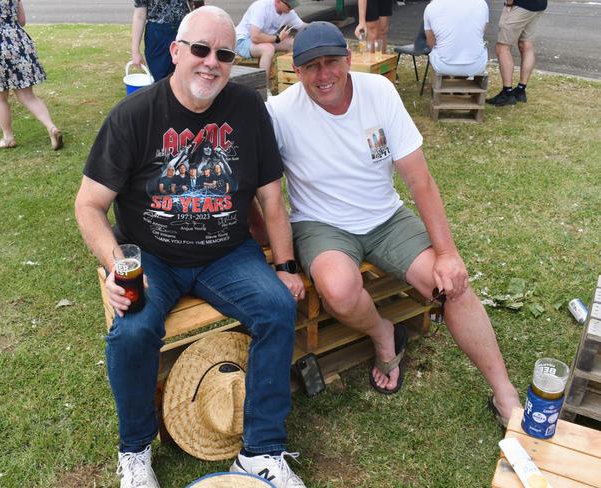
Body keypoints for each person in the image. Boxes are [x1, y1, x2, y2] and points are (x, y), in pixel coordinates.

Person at [75, 6, 307, 488]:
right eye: (200, 49)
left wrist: (285, 265)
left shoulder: (247, 111)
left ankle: (261, 452)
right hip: (152, 256)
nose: (211, 62)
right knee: (133, 332)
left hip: (227, 252)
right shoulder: (134, 116)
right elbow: (89, 206)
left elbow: (270, 198)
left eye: (224, 53)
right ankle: (135, 450)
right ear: (176, 51)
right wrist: (118, 267)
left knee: (277, 307)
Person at [266, 21, 521, 424]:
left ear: (349, 60)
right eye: (311, 66)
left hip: (385, 215)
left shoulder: (379, 92)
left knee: (451, 285)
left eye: (332, 61)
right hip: (321, 223)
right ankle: (384, 333)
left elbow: (419, 180)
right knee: (338, 288)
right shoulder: (279, 112)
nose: (323, 74)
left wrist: (448, 253)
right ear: (296, 71)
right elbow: (264, 191)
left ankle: (505, 395)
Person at [0, 0, 63, 150]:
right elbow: (22, 21)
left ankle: (8, 138)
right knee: (28, 95)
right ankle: (51, 127)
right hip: (19, 43)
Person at [486, 0, 548, 106]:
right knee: (526, 44)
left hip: (520, 5)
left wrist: (509, 4)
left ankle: (507, 93)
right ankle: (520, 90)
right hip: (539, 4)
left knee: (502, 47)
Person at [235, 0, 306, 88]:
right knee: (268, 49)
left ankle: (288, 82)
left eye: (293, 5)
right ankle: (264, 88)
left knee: (293, 43)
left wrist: (320, 25)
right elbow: (255, 37)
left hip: (265, 40)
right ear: (278, 1)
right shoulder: (261, 7)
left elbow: (302, 26)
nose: (291, 8)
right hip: (243, 40)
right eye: (289, 5)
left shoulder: (289, 12)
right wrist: (278, 38)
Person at [423, 0, 488, 77]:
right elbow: (481, 32)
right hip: (477, 66)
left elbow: (431, 43)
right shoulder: (482, 3)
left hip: (442, 66)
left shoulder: (431, 6)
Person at [131, 0, 190, 81]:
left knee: (184, 76)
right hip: (157, 36)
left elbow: (197, 5)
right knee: (160, 78)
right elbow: (139, 15)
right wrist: (135, 51)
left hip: (184, 31)